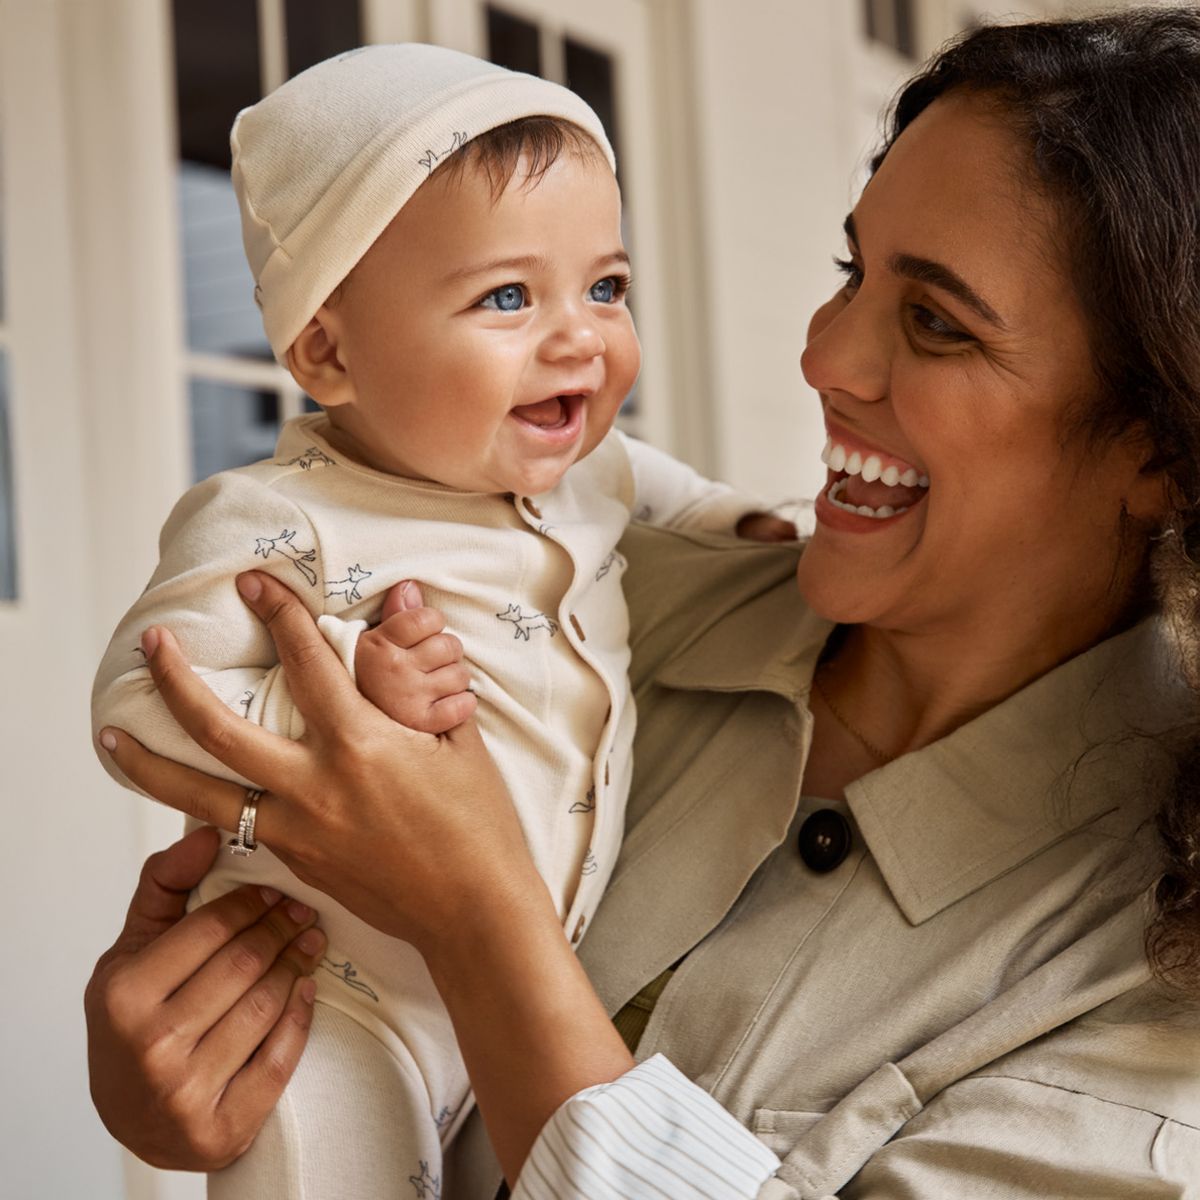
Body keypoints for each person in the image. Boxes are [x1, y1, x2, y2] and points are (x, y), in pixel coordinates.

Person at [87, 10, 1200, 1197]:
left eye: (935, 323)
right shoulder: (587, 600)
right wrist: (181, 1073)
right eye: (851, 274)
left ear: (1158, 448)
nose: (823, 354)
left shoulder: (1153, 969)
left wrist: (481, 919)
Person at [91, 44, 791, 1198]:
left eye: (605, 287)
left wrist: (751, 529)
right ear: (328, 349)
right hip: (330, 992)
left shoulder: (590, 473)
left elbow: (676, 498)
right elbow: (137, 701)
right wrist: (345, 713)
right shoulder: (282, 520)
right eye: (507, 298)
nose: (578, 337)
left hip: (524, 983)